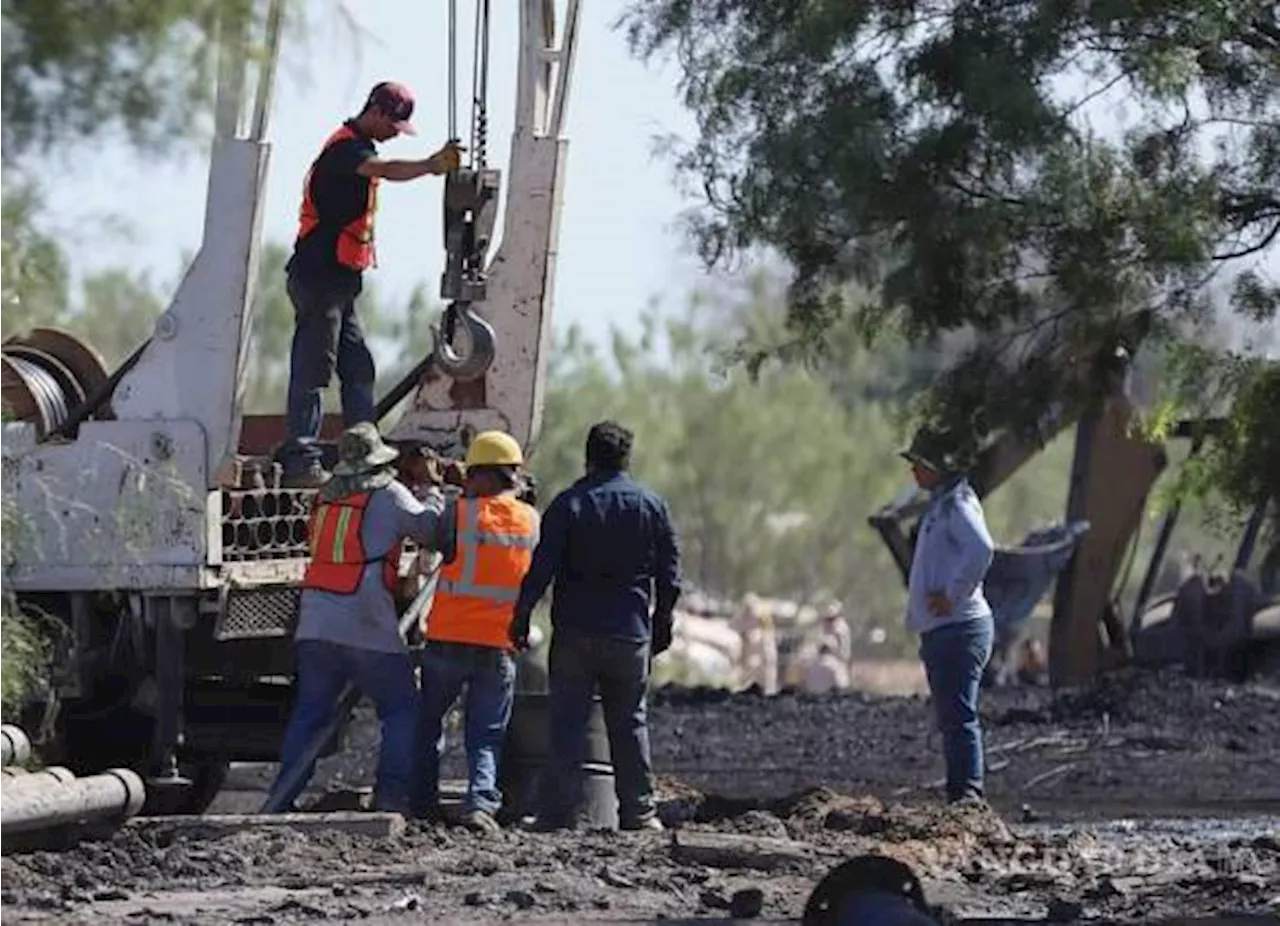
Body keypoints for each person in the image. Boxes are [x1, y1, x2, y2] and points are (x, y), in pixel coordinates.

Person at [278, 82, 464, 487]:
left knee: (358, 369)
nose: (397, 132)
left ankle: (365, 456)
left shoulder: (360, 147)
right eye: (395, 124)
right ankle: (301, 459)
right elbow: (384, 170)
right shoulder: (346, 150)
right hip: (318, 278)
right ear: (375, 112)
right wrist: (429, 167)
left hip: (340, 284)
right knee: (313, 369)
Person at [266, 422, 454, 814]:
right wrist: (433, 489)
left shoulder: (325, 496)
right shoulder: (389, 494)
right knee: (402, 707)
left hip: (316, 621)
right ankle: (390, 797)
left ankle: (282, 797)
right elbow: (432, 532)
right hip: (365, 619)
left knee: (311, 712)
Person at [511, 421, 682, 831]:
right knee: (629, 724)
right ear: (627, 458)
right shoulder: (651, 505)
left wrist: (521, 616)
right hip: (629, 633)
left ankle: (556, 815)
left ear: (587, 458)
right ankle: (640, 814)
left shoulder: (569, 504)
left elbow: (541, 569)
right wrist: (661, 626)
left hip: (575, 633)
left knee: (567, 722)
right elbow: (670, 578)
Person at [416, 431, 539, 833]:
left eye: (471, 475)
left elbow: (429, 532)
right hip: (497, 645)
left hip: (448, 640)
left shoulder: (460, 513)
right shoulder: (530, 521)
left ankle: (421, 800)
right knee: (485, 734)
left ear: (483, 476)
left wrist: (435, 490)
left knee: (428, 723)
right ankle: (480, 804)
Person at [901, 426, 995, 805]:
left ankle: (968, 796)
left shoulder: (957, 503)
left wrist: (953, 594)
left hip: (960, 627)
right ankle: (961, 792)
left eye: (920, 464)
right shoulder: (941, 504)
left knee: (959, 717)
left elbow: (981, 549)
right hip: (944, 629)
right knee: (952, 718)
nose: (914, 472)